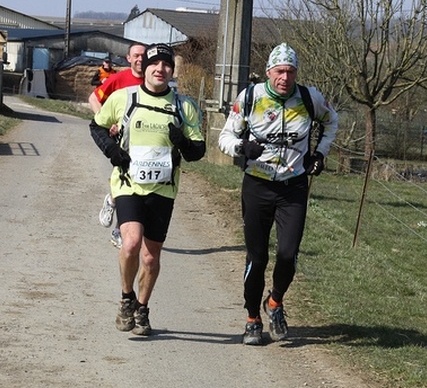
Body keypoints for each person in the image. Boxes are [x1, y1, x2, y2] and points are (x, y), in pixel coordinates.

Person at [218, 43, 338, 346]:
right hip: (257, 185)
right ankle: (251, 320)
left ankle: (275, 303)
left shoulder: (310, 98)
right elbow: (225, 137)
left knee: (287, 254)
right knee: (257, 258)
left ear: (296, 72)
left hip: (293, 186)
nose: (285, 77)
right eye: (279, 71)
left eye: (290, 71)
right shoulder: (250, 98)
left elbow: (331, 122)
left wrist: (319, 154)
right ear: (269, 72)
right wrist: (241, 148)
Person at [89, 43, 206, 336]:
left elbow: (198, 152)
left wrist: (182, 141)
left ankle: (142, 308)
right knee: (130, 243)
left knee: (151, 257)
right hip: (128, 184)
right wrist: (112, 151)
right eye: (155, 63)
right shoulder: (124, 98)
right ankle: (126, 297)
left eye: (166, 65)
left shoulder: (184, 106)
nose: (160, 69)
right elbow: (97, 126)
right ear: (145, 68)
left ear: (171, 70)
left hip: (163, 189)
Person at [89, 42, 146, 249]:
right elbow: (94, 98)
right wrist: (106, 121)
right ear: (129, 58)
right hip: (122, 139)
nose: (141, 59)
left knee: (135, 183)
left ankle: (113, 203)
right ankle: (119, 227)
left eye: (144, 55)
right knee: (126, 177)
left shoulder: (153, 80)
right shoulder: (118, 79)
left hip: (145, 140)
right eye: (136, 55)